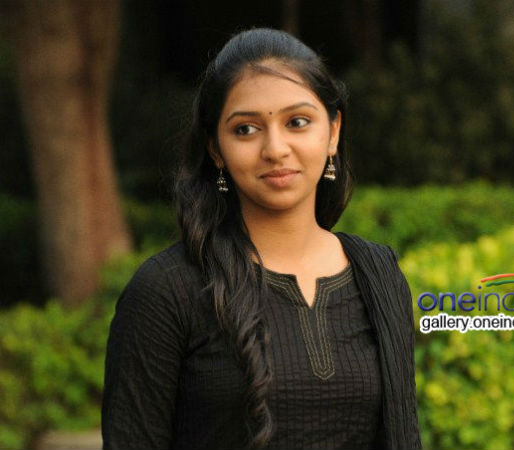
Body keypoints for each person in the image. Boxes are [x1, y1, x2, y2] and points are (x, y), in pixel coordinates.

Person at [101, 27, 422, 450]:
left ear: (333, 132)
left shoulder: (378, 276)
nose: (275, 148)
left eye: (297, 122)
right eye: (246, 129)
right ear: (215, 148)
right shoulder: (167, 290)